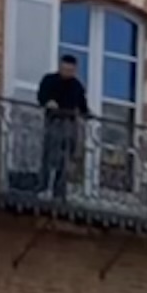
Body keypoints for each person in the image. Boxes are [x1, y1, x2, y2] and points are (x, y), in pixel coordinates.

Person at [35, 48, 93, 197]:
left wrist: (87, 115)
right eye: (65, 69)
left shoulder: (77, 86)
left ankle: (59, 190)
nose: (67, 72)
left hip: (70, 124)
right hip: (54, 121)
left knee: (65, 158)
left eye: (70, 70)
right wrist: (48, 102)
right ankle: (43, 185)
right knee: (50, 155)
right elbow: (41, 97)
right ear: (60, 67)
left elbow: (82, 106)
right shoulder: (50, 80)